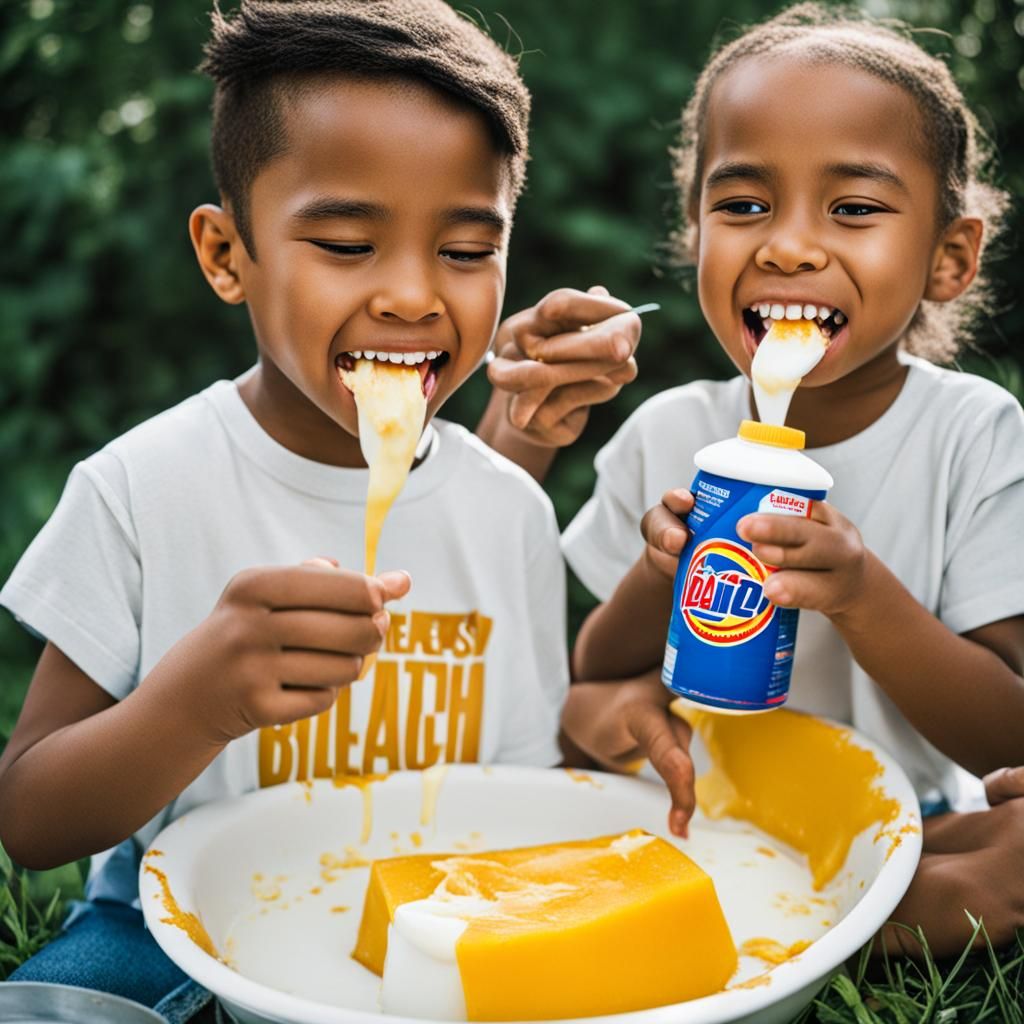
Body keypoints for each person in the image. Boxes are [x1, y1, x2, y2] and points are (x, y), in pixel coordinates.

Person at [0, 1, 640, 1018]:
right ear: (226, 254)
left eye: (466, 251)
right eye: (346, 242)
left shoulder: (508, 509)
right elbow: (30, 813)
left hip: (441, 919)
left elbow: (527, 792)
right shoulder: (143, 488)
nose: (412, 297)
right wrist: (195, 702)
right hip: (173, 925)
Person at [559, 3, 1024, 959]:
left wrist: (861, 596)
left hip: (914, 815)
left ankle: (861, 906)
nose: (789, 246)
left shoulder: (971, 435)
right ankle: (838, 917)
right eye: (743, 206)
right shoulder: (673, 432)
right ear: (696, 234)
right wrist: (660, 571)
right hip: (701, 809)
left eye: (853, 208)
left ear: (950, 258)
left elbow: (1007, 737)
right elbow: (592, 686)